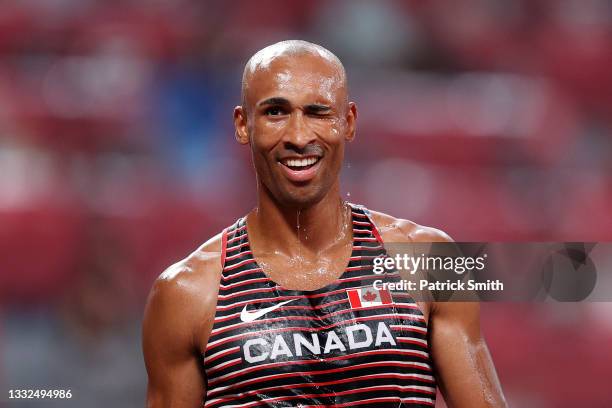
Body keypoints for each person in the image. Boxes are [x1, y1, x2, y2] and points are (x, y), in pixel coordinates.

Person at [143, 40, 507, 407]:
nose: (299, 137)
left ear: (348, 122)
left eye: (318, 112)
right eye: (275, 112)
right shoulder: (186, 295)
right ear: (242, 124)